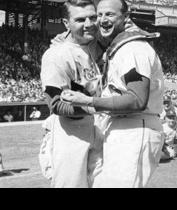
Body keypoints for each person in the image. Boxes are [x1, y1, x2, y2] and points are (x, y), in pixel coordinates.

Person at [61, 0, 165, 188]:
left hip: (135, 126)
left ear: (126, 17)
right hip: (122, 126)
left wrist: (89, 101)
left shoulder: (133, 48)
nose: (102, 20)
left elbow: (137, 100)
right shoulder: (120, 46)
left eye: (109, 14)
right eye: (99, 15)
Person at [40, 0, 103, 188]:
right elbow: (56, 105)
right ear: (66, 23)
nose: (89, 24)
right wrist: (100, 108)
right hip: (71, 136)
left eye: (93, 17)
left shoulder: (95, 44)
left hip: (99, 130)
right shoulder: (57, 55)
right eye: (80, 19)